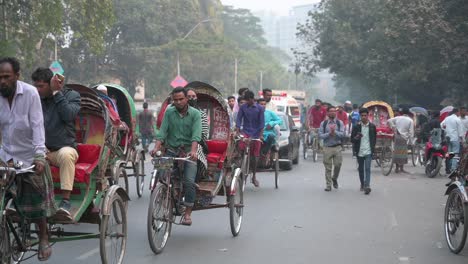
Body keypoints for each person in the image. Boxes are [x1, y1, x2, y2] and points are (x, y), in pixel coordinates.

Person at [0, 57, 56, 261]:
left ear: (17, 76)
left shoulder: (30, 94)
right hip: (6, 157)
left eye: (6, 77)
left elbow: (37, 126)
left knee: (35, 195)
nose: (2, 81)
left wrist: (40, 156)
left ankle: (43, 237)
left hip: (29, 156)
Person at [32, 67, 81, 218]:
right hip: (43, 150)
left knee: (66, 154)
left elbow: (68, 115)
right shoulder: (35, 99)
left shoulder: (71, 95)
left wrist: (56, 93)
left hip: (64, 150)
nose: (37, 90)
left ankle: (65, 201)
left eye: (41, 86)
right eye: (36, 86)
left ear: (51, 84)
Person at [151, 87, 201, 226]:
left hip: (188, 153)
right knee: (160, 177)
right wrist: (156, 148)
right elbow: (162, 133)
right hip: (171, 150)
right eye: (175, 100)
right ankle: (161, 199)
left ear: (186, 99)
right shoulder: (169, 112)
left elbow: (196, 136)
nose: (178, 102)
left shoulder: (195, 114)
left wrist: (193, 151)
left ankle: (187, 213)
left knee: (189, 182)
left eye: (181, 99)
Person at [236, 90, 264, 187]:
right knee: (240, 148)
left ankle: (254, 176)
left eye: (248, 100)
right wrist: (238, 130)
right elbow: (239, 119)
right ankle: (239, 167)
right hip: (246, 132)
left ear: (252, 99)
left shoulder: (260, 108)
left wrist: (260, 135)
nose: (246, 102)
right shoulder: (243, 107)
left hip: (256, 134)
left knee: (255, 156)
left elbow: (261, 123)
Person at [319, 106, 345, 191]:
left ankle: (334, 178)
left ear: (336, 113)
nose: (333, 112)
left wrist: (335, 132)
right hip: (327, 148)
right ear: (328, 113)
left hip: (337, 147)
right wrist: (329, 133)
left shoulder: (339, 123)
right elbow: (321, 135)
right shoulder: (324, 123)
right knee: (328, 167)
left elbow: (343, 134)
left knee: (338, 165)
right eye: (331, 111)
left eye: (334, 111)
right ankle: (328, 185)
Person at [351, 108, 377, 195]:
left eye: (365, 115)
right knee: (361, 169)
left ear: (368, 116)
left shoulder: (372, 127)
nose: (364, 117)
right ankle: (362, 184)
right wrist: (357, 137)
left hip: (369, 151)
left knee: (368, 169)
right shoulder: (356, 127)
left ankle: (367, 185)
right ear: (360, 116)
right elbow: (352, 140)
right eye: (362, 115)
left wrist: (373, 149)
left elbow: (374, 139)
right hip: (359, 151)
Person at [387, 108, 414, 173]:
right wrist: (411, 142)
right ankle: (401, 168)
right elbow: (411, 132)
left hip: (397, 136)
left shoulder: (397, 118)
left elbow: (388, 121)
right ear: (408, 113)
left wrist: (393, 127)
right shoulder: (410, 120)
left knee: (397, 152)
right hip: (404, 138)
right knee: (403, 153)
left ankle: (396, 168)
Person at [441, 108, 465, 173]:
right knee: (455, 154)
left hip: (448, 137)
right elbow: (460, 131)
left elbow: (442, 125)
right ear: (456, 112)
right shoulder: (457, 119)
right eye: (459, 112)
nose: (459, 114)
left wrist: (446, 129)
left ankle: (448, 167)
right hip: (455, 138)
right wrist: (462, 139)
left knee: (450, 153)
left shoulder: (447, 118)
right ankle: (453, 168)